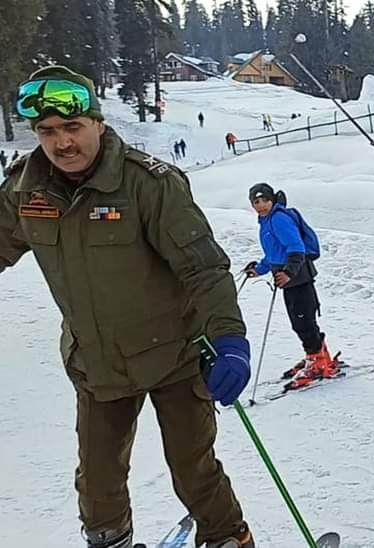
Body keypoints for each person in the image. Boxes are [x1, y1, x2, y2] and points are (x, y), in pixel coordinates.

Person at [0, 65, 254, 548]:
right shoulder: (24, 190)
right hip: (96, 364)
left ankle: (227, 538)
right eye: (47, 132)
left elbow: (203, 267)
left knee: (193, 469)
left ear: (98, 123)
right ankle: (110, 541)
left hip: (174, 357)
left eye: (72, 127)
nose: (61, 143)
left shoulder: (148, 185)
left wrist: (229, 339)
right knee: (97, 485)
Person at [243, 183, 338, 388]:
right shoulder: (266, 221)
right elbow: (274, 253)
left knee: (303, 322)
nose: (260, 205)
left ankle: (317, 360)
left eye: (264, 200)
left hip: (298, 278)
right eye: (256, 202)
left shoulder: (278, 218)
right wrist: (259, 269)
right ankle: (318, 356)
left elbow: (296, 247)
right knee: (301, 321)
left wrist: (288, 272)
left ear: (272, 200)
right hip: (289, 280)